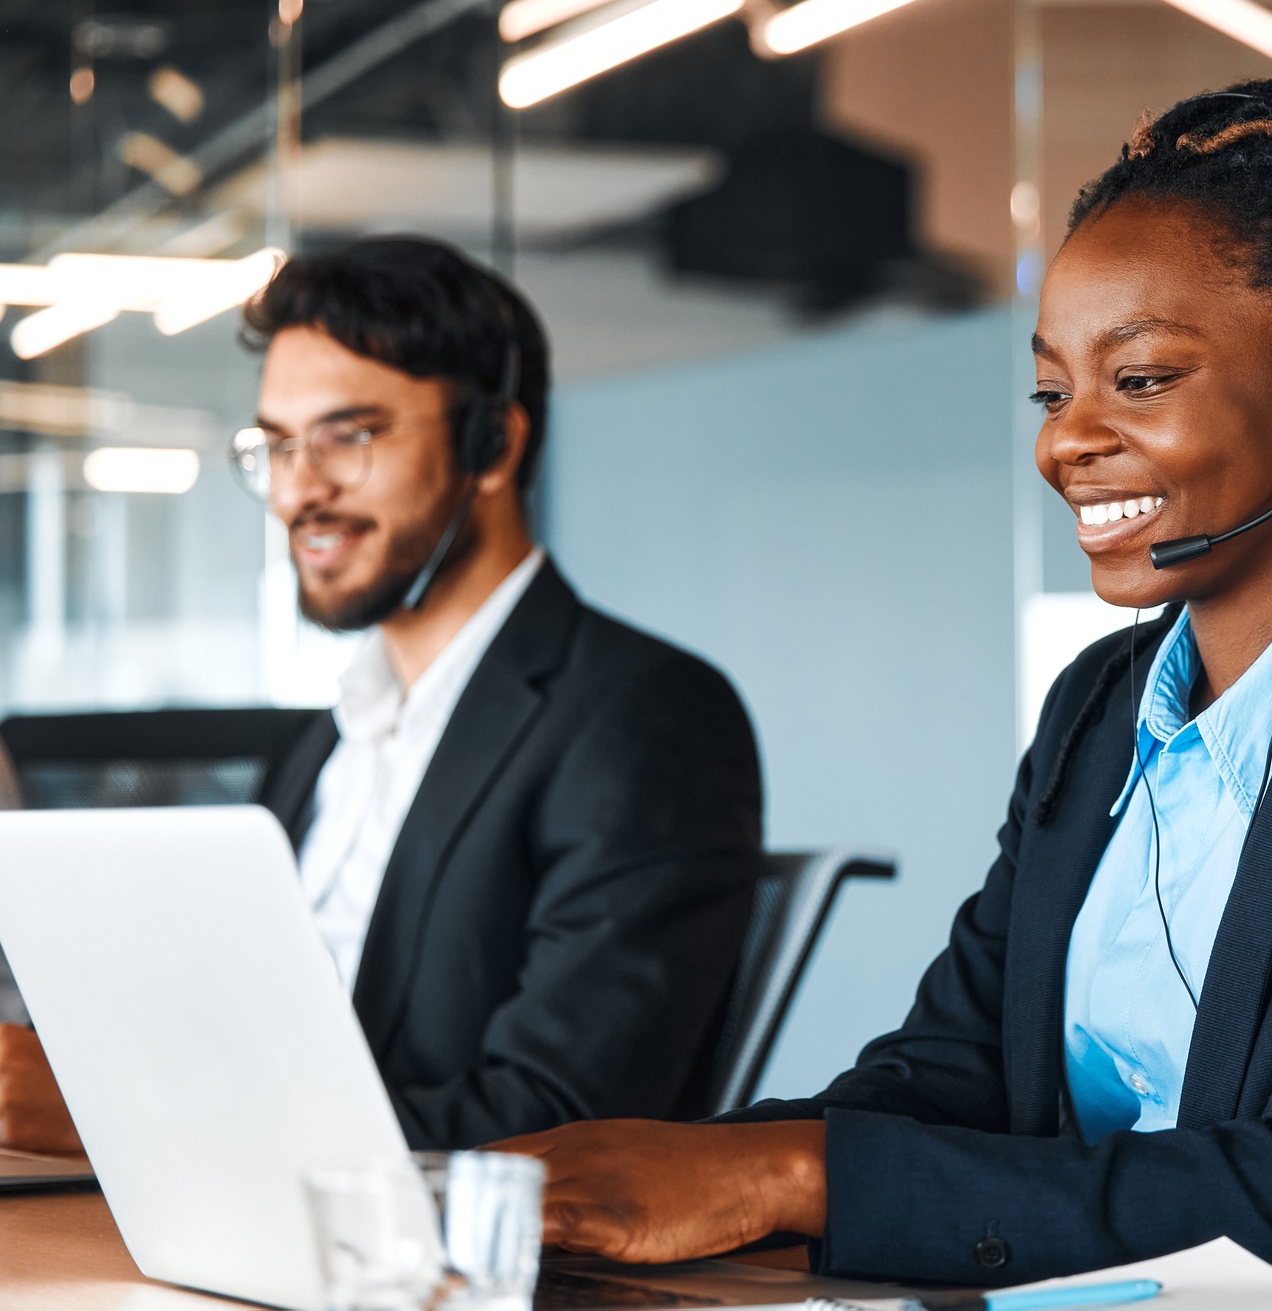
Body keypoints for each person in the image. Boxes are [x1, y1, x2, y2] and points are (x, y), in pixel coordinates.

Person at [495, 82, 1272, 1292]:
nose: (1063, 440)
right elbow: (952, 1074)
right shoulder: (1099, 708)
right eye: (1049, 390)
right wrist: (629, 1169)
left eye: (1138, 381)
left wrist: (793, 1180)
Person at [0, 237, 763, 1153]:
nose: (298, 490)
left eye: (347, 437)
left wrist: (128, 1109)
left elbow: (562, 1127)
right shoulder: (330, 736)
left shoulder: (644, 713)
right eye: (278, 446)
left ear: (492, 443)